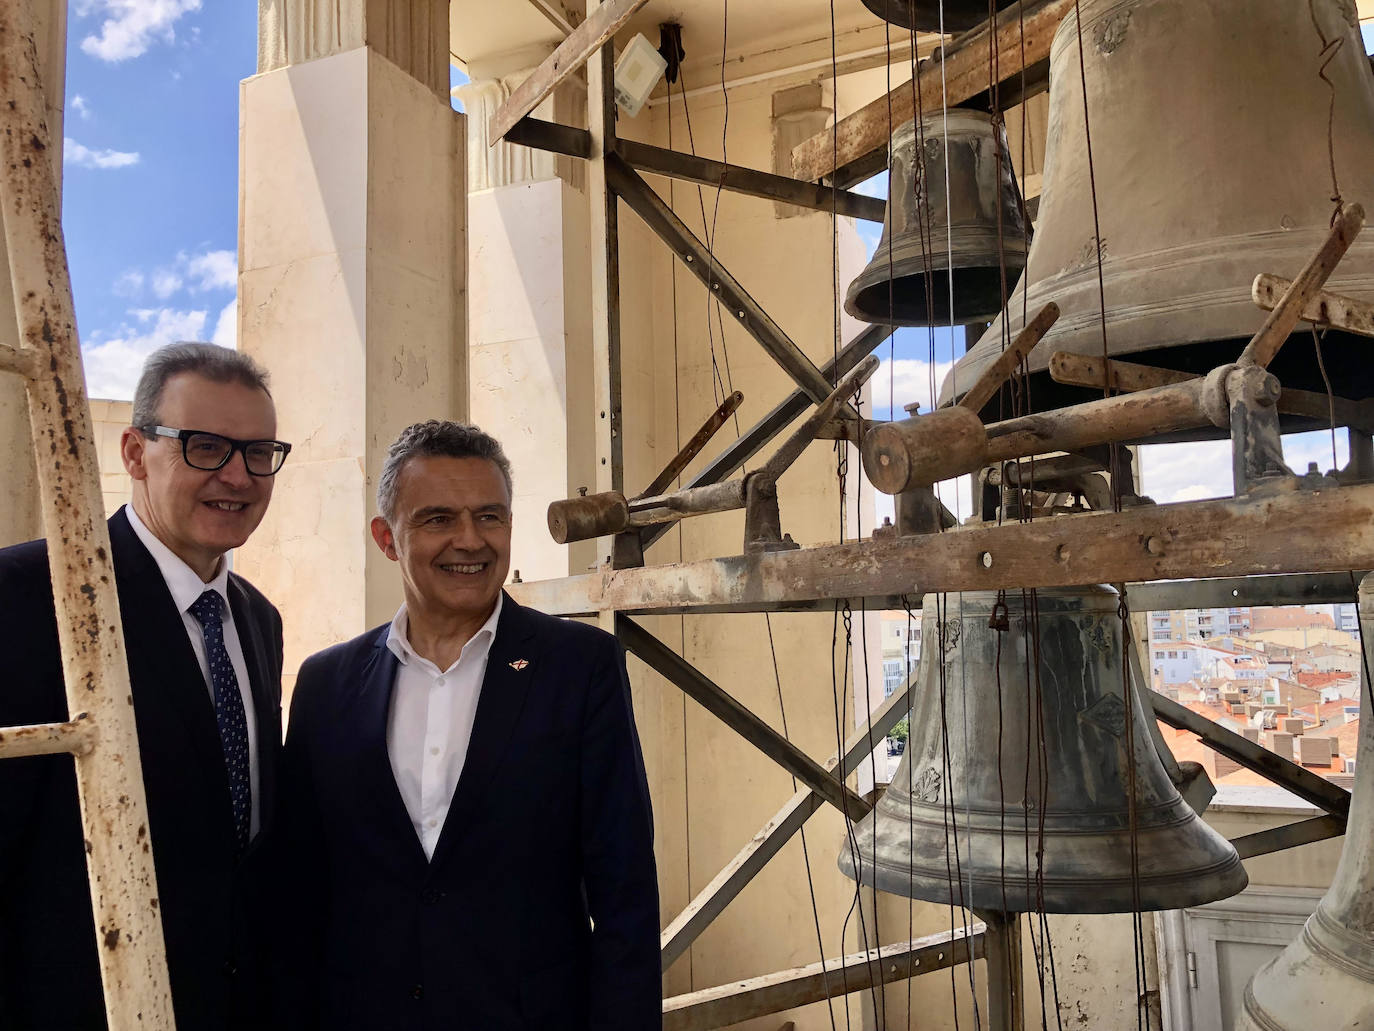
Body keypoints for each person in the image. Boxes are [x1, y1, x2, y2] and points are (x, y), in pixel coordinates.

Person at [276, 420, 661, 1030]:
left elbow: (625, 893)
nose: (470, 540)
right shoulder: (327, 684)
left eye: (490, 517)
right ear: (387, 538)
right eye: (437, 520)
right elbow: (298, 891)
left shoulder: (580, 667)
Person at [0, 342, 290, 1028]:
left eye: (258, 453)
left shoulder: (258, 619)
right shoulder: (31, 596)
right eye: (206, 447)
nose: (239, 476)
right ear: (134, 453)